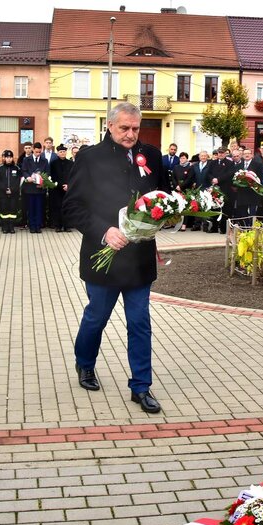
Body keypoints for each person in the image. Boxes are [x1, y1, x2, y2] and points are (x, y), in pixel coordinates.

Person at [62, 102, 168, 414]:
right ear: (109, 126)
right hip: (103, 256)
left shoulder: (152, 155)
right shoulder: (90, 157)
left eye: (135, 128)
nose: (131, 134)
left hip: (139, 259)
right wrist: (104, 231)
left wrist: (166, 217)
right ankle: (85, 363)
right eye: (124, 128)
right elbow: (72, 207)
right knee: (97, 317)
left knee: (140, 323)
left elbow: (165, 197)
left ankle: (141, 386)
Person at [21, 142, 48, 234]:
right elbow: (24, 170)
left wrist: (43, 182)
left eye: (39, 152)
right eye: (36, 152)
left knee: (39, 208)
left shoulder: (44, 160)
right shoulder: (26, 159)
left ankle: (38, 226)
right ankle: (32, 226)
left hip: (40, 188)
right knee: (31, 208)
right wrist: (28, 177)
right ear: (33, 150)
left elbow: (47, 173)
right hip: (30, 188)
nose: (38, 154)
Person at [234, 147, 263, 224]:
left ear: (252, 155)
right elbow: (235, 178)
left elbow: (260, 177)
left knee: (252, 212)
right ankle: (245, 226)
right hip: (242, 192)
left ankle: (251, 226)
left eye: (248, 153)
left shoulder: (258, 165)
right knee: (243, 211)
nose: (247, 155)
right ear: (242, 155)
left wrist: (251, 183)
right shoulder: (238, 165)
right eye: (245, 153)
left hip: (253, 192)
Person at [49, 144, 74, 232]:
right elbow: (52, 177)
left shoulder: (71, 163)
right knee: (57, 207)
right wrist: (60, 185)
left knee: (67, 207)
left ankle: (67, 226)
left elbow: (73, 176)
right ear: (57, 153)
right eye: (61, 152)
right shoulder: (53, 164)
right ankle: (58, 226)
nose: (62, 153)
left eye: (64, 151)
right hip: (57, 189)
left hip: (68, 189)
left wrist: (68, 185)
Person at [0, 150, 20, 234]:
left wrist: (12, 190)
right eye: (7, 157)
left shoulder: (17, 168)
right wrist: (5, 189)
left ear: (12, 158)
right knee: (4, 210)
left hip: (14, 193)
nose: (9, 159)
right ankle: (5, 227)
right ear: (4, 158)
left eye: (10, 157)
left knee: (13, 210)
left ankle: (11, 227)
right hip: (3, 193)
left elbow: (18, 181)